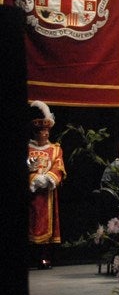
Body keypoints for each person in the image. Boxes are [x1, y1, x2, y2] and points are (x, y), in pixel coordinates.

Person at [28, 100, 66, 269]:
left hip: (48, 194)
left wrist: (48, 178)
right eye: (41, 131)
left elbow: (59, 166)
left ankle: (45, 256)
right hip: (31, 193)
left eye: (46, 130)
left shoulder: (55, 149)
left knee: (47, 224)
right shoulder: (27, 148)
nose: (44, 134)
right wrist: (33, 179)